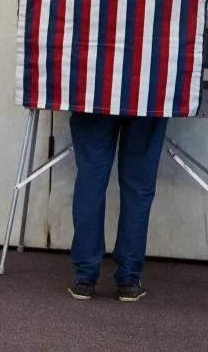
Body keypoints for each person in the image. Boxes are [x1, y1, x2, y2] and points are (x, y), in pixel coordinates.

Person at [67, 112, 169, 302]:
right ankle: (129, 280)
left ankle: (85, 279)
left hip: (95, 92)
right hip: (148, 94)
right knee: (138, 184)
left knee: (91, 180)